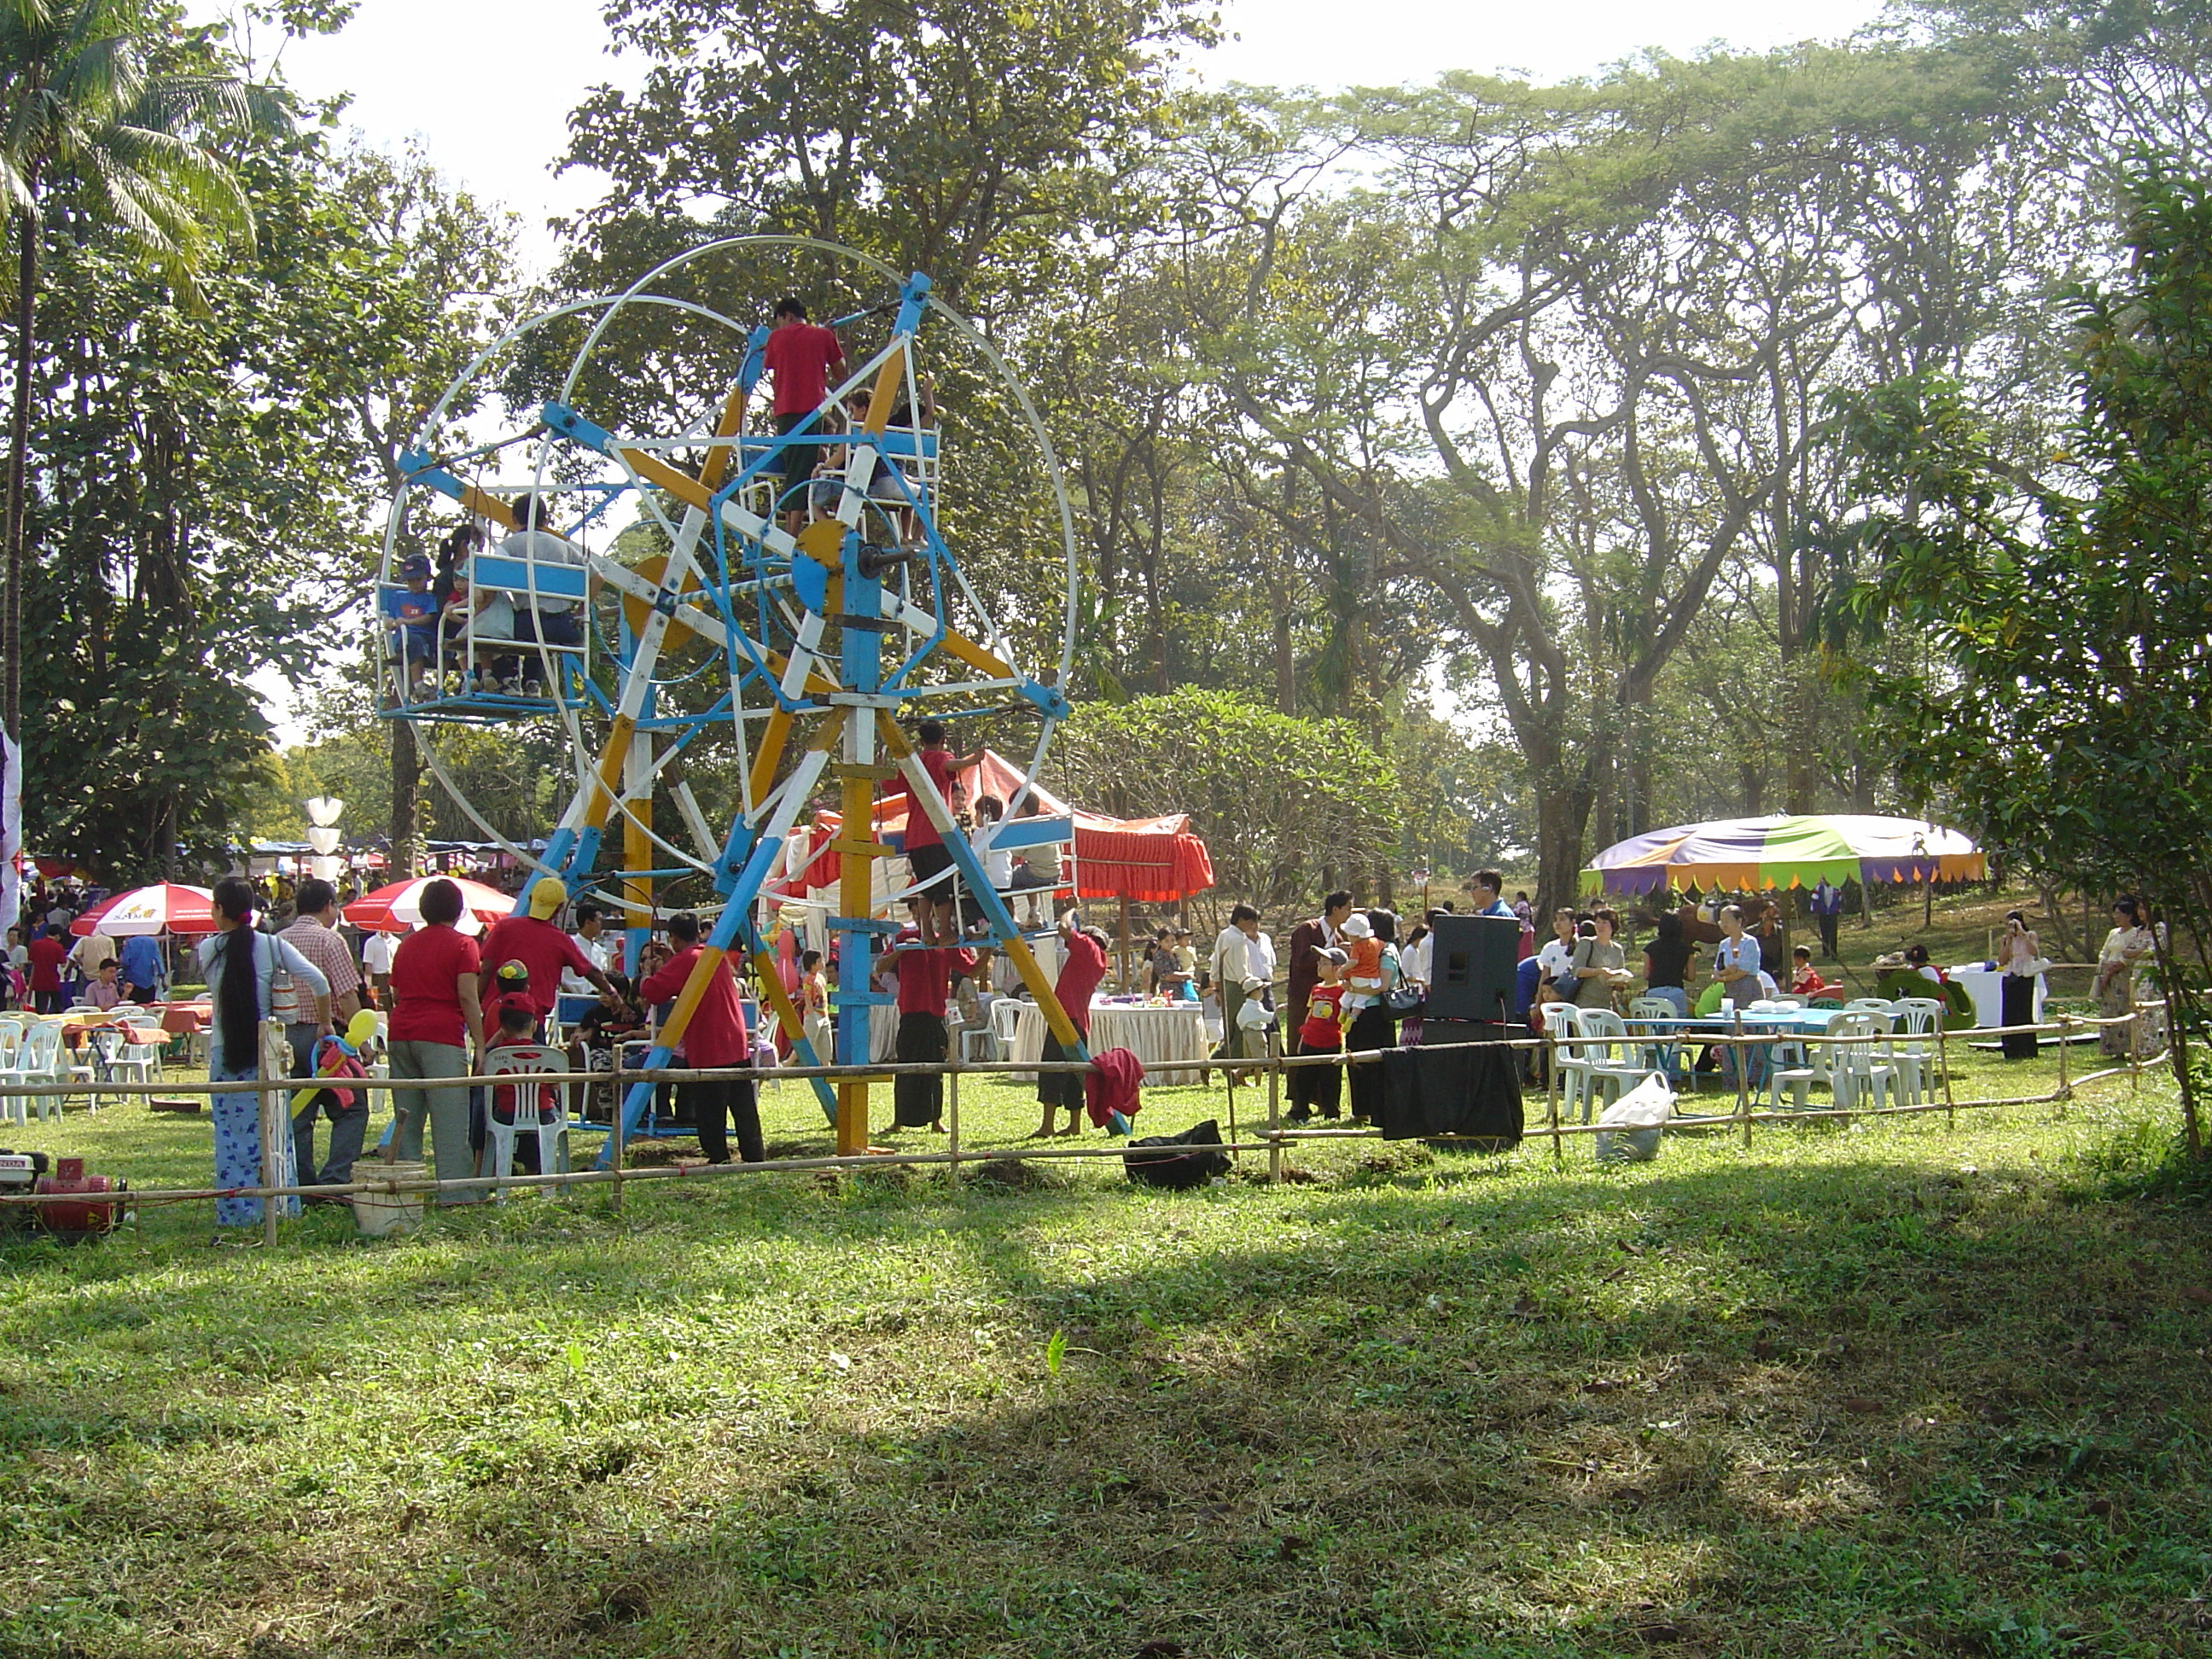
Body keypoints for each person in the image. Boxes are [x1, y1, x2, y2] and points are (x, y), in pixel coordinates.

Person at [196, 877, 331, 1231]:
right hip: (266, 1053)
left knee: (230, 1135)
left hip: (226, 1054)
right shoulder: (273, 946)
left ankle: (237, 1210)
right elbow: (319, 982)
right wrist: (324, 1023)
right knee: (272, 1131)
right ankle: (280, 1204)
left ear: (220, 909)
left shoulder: (208, 950)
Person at [385, 876, 488, 1204]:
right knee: (450, 1120)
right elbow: (468, 998)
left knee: (406, 1118)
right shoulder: (464, 945)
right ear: (458, 912)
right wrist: (480, 1043)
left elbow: (397, 992)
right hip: (442, 1035)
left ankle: (404, 1191)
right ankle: (456, 1193)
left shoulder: (405, 944)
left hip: (401, 1032)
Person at [638, 911, 762, 1164]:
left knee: (710, 1109)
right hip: (736, 1042)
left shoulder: (685, 961)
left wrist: (647, 972)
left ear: (673, 937)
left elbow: (652, 992)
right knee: (743, 1107)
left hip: (709, 1046)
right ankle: (754, 1156)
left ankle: (718, 1156)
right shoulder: (714, 956)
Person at [275, 879, 368, 1189]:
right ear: (329, 906)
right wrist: (363, 1041)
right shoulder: (331, 940)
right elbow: (346, 994)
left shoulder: (278, 940)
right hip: (327, 1038)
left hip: (287, 1036)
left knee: (299, 1115)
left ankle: (302, 1184)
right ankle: (335, 1179)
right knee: (352, 1109)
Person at [478, 882, 615, 1030]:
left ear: (531, 899)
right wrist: (613, 994)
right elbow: (591, 972)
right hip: (532, 1020)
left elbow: (486, 969)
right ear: (560, 908)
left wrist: (475, 1004)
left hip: (495, 1014)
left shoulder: (503, 927)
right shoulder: (560, 939)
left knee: (490, 1053)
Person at [894, 719, 981, 946]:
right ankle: (945, 932)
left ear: (921, 741)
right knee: (944, 887)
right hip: (937, 834)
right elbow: (950, 766)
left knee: (925, 887)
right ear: (943, 740)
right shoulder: (940, 758)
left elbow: (890, 783)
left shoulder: (912, 763)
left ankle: (927, 934)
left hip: (914, 837)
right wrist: (974, 759)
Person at [763, 297, 847, 533]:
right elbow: (841, 373)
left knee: (794, 467)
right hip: (812, 410)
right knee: (802, 468)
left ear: (787, 316)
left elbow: (769, 365)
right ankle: (792, 530)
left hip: (784, 410)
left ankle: (792, 526)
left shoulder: (776, 338)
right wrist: (831, 338)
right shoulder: (822, 336)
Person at [883, 928, 974, 1134]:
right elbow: (880, 966)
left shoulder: (945, 938)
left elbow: (972, 970)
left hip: (935, 1015)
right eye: (915, 909)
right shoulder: (902, 937)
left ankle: (935, 1120)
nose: (918, 913)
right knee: (905, 1068)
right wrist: (903, 950)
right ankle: (899, 1120)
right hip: (910, 1014)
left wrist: (989, 948)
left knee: (936, 1070)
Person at [1033, 911, 1109, 1138]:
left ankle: (1047, 1125)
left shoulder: (1086, 948)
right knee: (1075, 1076)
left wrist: (1070, 909)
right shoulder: (1100, 960)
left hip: (1066, 1018)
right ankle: (1074, 1125)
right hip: (1079, 1021)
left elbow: (1064, 928)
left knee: (1052, 1071)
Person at [1208, 904, 1276, 1082]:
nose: (1253, 926)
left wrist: (1217, 987)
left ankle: (1227, 1069)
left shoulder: (1224, 935)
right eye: (1251, 921)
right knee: (1240, 1030)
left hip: (1226, 984)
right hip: (1238, 987)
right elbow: (1242, 970)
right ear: (1241, 920)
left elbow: (1215, 965)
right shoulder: (1238, 940)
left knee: (1232, 1028)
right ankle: (1221, 1064)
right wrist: (1253, 987)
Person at [1345, 909, 1401, 1122]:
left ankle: (1378, 1110)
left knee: (1374, 1064)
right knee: (1355, 1059)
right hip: (1361, 1011)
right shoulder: (1367, 950)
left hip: (1375, 1013)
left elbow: (1384, 985)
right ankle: (1360, 1109)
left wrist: (1355, 989)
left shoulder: (1387, 952)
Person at [1287, 946, 1348, 1123]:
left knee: (1330, 1079)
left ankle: (1332, 1112)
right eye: (1319, 962)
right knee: (1304, 1078)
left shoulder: (1342, 990)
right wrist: (1303, 1037)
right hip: (1310, 1040)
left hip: (1330, 1042)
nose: (1319, 966)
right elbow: (1311, 1013)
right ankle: (1300, 1111)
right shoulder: (1316, 989)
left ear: (1337, 968)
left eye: (1324, 963)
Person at [1284, 889, 1354, 1039]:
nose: (1350, 913)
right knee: (1298, 1038)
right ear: (1335, 909)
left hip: (1325, 999)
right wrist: (1330, 951)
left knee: (1321, 1038)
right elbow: (1301, 961)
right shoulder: (1307, 929)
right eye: (1348, 908)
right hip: (1302, 996)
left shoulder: (1337, 937)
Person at [2096, 897, 2157, 1060]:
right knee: (2109, 1011)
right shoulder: (2114, 933)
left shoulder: (2135, 931)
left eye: (2119, 914)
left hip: (2125, 975)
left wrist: (2115, 967)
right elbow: (2108, 951)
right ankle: (2113, 1049)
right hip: (2110, 973)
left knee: (2128, 1009)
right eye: (2114, 914)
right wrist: (2105, 965)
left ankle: (2136, 1047)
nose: (2116, 917)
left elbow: (2137, 954)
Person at [1565, 907, 1628, 1010]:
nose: (1600, 926)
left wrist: (1621, 981)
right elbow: (1576, 971)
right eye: (1598, 922)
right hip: (1585, 1003)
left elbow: (1619, 975)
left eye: (1604, 922)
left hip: (1607, 1005)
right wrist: (1599, 971)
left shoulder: (1617, 949)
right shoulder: (1586, 943)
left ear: (1613, 926)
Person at [1997, 910, 2040, 1059]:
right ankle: (2011, 1048)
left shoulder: (2030, 935)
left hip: (2025, 976)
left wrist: (2021, 933)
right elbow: (2002, 961)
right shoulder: (2005, 939)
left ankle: (2027, 1047)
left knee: (2024, 1011)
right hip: (2010, 976)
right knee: (2010, 1013)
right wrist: (2008, 941)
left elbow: (2034, 952)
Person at [1641, 911, 1695, 1017]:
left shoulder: (1649, 949)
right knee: (1677, 1027)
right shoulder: (1687, 950)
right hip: (1676, 991)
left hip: (1654, 992)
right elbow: (1691, 977)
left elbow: (1646, 975)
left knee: (1655, 1028)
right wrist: (1678, 973)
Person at [1712, 905, 1763, 1009]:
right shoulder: (1723, 944)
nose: (1724, 925)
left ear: (1739, 921)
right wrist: (1725, 972)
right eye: (1721, 921)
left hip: (1749, 990)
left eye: (1727, 921)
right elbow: (1717, 970)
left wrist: (1723, 978)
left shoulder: (1749, 942)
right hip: (1730, 992)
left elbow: (1743, 972)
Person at [561, 901, 614, 994]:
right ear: (588, 923)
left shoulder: (598, 950)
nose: (601, 925)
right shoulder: (568, 945)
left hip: (596, 1000)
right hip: (571, 1000)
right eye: (599, 920)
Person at [1534, 908, 1579, 1007]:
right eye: (1555, 920)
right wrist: (1538, 1004)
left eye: (1562, 920)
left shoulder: (1581, 946)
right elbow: (1544, 977)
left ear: (1572, 923)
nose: (1558, 923)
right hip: (1553, 998)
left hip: (1574, 997)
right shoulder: (1550, 947)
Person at [26, 926, 67, 1014]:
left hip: (38, 980)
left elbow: (30, 960)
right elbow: (63, 963)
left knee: (40, 1009)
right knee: (58, 1008)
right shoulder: (58, 947)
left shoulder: (35, 944)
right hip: (53, 980)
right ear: (57, 936)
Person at [117, 929, 163, 1004]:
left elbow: (125, 961)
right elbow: (158, 960)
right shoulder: (153, 942)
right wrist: (162, 978)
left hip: (133, 981)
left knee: (134, 1006)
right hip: (149, 981)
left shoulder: (130, 943)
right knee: (148, 1005)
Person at [1810, 877, 1844, 959]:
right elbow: (1814, 900)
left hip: (1833, 913)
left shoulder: (1836, 888)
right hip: (1823, 913)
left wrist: (1838, 910)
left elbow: (1839, 900)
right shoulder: (1819, 888)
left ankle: (1834, 952)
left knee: (1833, 933)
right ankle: (1826, 952)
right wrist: (1815, 911)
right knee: (1824, 932)